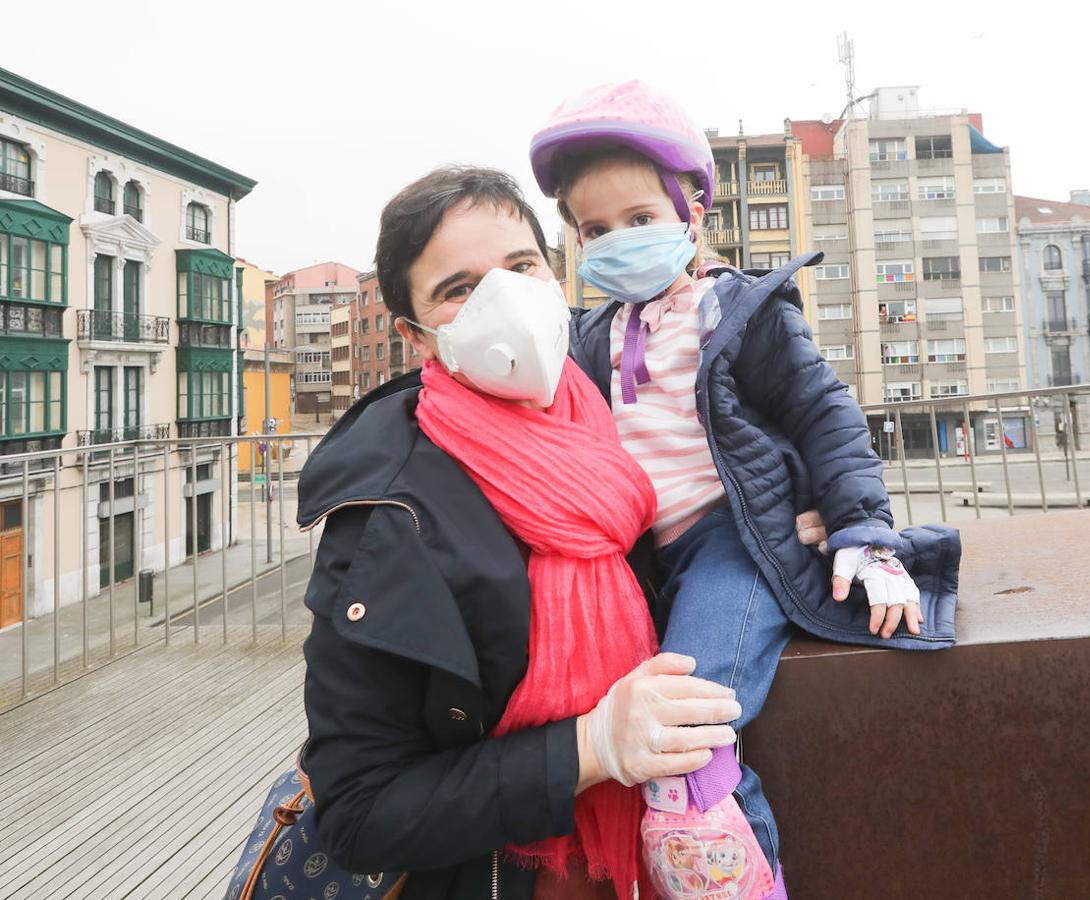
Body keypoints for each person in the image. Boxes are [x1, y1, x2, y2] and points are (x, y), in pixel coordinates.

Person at [530, 81, 960, 899]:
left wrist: (863, 530)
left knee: (691, 727)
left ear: (692, 214)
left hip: (729, 542)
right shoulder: (591, 336)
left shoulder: (735, 309)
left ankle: (739, 871)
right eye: (595, 230)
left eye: (640, 219)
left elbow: (822, 412)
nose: (617, 241)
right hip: (640, 563)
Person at [298, 166, 757, 900]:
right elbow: (360, 811)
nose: (504, 301)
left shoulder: (615, 416)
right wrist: (591, 746)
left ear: (554, 274)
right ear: (416, 334)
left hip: (658, 856)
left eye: (522, 267)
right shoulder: (387, 518)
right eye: (459, 289)